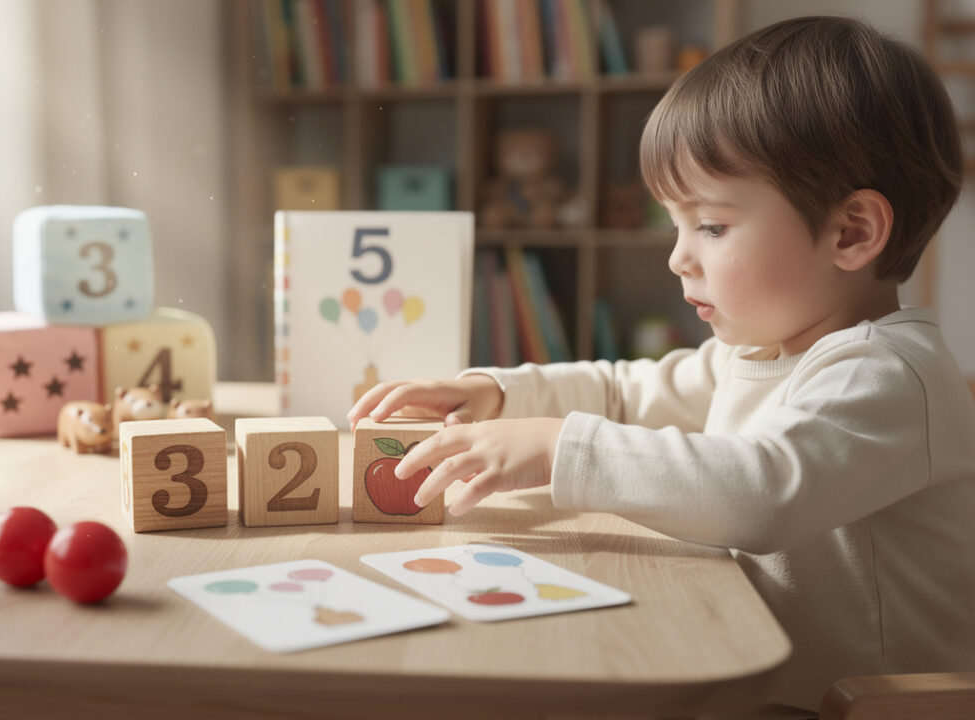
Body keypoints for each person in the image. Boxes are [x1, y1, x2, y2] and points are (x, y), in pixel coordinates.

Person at [347, 16, 975, 717]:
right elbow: (627, 391)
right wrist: (497, 393)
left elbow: (762, 493)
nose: (678, 256)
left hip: (856, 707)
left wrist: (559, 446)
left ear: (851, 232)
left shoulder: (889, 374)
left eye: (709, 226)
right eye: (675, 225)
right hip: (758, 678)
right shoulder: (764, 351)